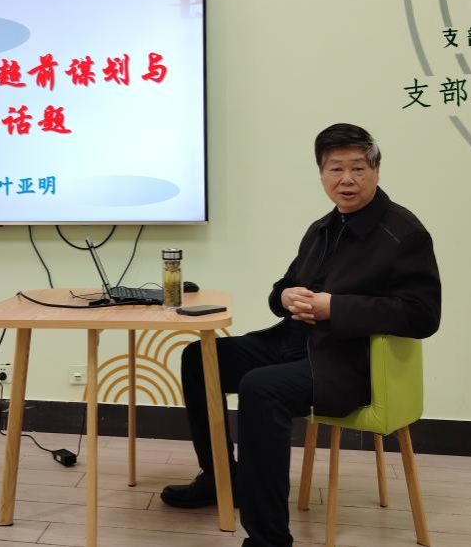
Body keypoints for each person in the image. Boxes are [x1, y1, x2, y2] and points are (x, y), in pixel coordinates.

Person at [160, 123, 441, 547]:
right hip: (294, 344)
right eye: (335, 169)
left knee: (261, 388)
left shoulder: (403, 232)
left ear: (377, 170)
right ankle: (220, 478)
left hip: (347, 362)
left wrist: (336, 307)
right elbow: (284, 288)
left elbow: (423, 315)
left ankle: (269, 539)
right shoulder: (322, 228)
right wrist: (285, 296)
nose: (347, 179)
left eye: (358, 168)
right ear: (322, 174)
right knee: (199, 358)